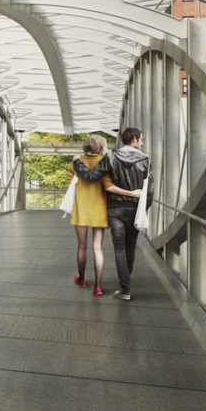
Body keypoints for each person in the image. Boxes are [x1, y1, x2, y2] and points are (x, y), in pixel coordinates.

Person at [75, 127, 152, 301]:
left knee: (120, 250)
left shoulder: (110, 156)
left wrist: (77, 163)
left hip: (115, 210)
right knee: (130, 248)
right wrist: (143, 209)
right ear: (134, 140)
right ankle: (124, 286)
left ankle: (125, 290)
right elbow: (150, 189)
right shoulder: (145, 160)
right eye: (141, 139)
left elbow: (91, 176)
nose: (142, 142)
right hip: (134, 209)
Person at [68, 136, 112, 295]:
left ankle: (81, 279)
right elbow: (108, 186)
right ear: (100, 148)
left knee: (82, 246)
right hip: (99, 209)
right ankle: (98, 286)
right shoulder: (104, 162)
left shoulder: (76, 162)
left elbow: (69, 186)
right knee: (97, 247)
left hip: (81, 210)